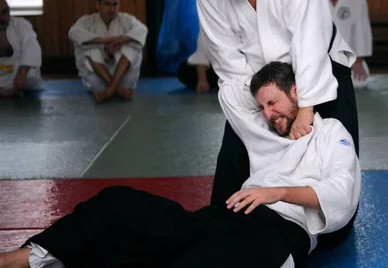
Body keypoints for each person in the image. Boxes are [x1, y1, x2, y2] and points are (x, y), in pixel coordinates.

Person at [0, 62, 361, 268]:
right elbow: (231, 84)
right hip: (222, 218)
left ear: (297, 92)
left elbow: (342, 194)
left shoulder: (331, 134)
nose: (268, 115)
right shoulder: (259, 127)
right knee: (116, 203)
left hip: (275, 235)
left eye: (274, 103)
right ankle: (30, 257)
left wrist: (275, 193)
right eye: (262, 107)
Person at [196, 0, 359, 248]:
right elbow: (228, 63)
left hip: (320, 67)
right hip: (258, 82)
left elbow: (309, 42)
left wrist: (305, 108)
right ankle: (224, 214)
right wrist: (260, 111)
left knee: (333, 145)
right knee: (236, 149)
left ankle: (328, 226)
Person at [68, 0, 147, 103]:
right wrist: (105, 41)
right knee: (88, 50)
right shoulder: (87, 21)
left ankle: (111, 90)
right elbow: (73, 33)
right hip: (97, 77)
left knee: (133, 47)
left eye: (115, 4)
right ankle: (117, 89)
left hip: (122, 75)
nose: (111, 9)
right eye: (107, 4)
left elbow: (142, 29)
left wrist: (121, 40)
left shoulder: (126, 19)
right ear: (97, 5)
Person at [325, 0, 373, 88]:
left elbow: (362, 28)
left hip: (348, 55)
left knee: (360, 82)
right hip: (322, 55)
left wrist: (358, 60)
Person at [0, 0, 44, 97]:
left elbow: (31, 44)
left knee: (31, 74)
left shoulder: (20, 24)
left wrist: (23, 70)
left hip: (17, 72)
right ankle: (8, 92)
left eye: (4, 12)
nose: (2, 17)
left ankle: (13, 90)